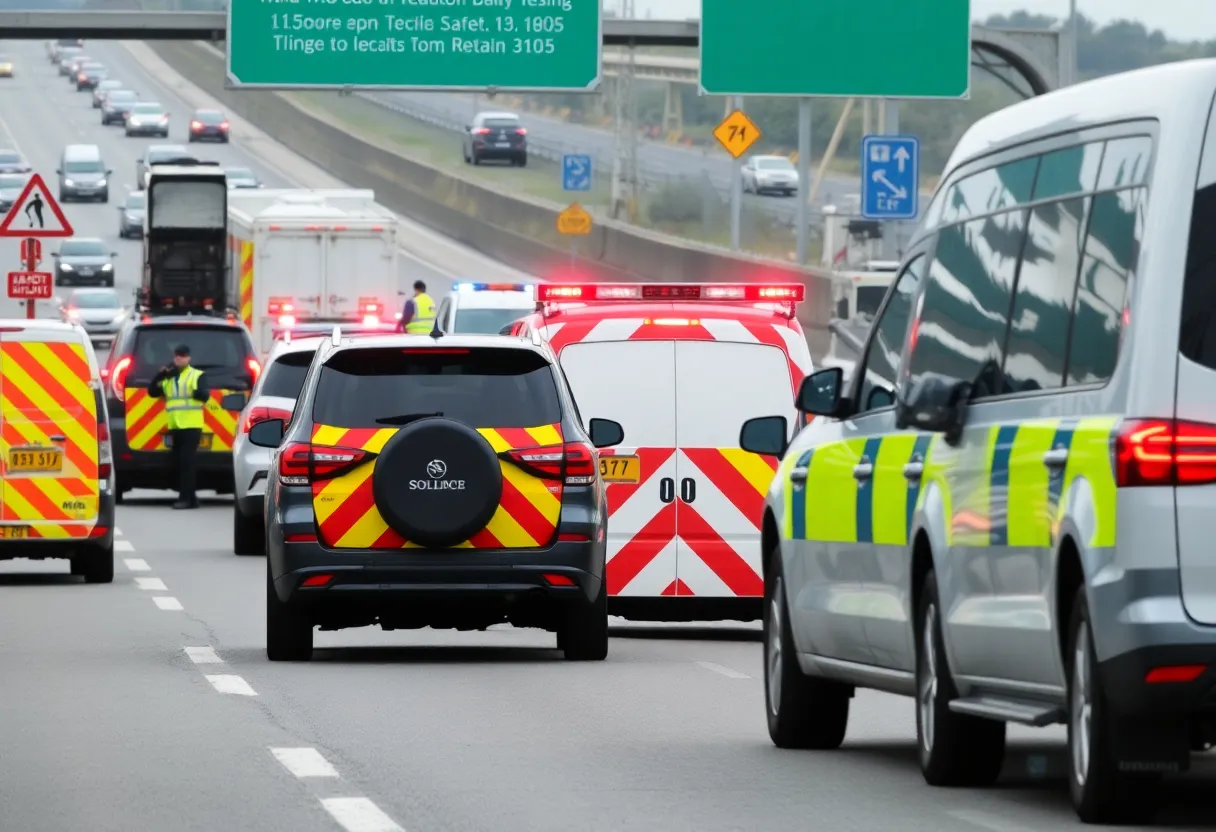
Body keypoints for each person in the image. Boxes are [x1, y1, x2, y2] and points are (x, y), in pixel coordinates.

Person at [148, 344, 209, 509]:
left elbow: (205, 395)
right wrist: (159, 374)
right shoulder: (169, 378)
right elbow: (152, 391)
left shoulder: (196, 375)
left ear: (188, 358)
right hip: (175, 426)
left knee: (186, 463)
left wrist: (195, 393)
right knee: (180, 463)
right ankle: (192, 498)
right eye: (177, 356)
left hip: (191, 426)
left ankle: (185, 499)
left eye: (182, 356)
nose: (179, 358)